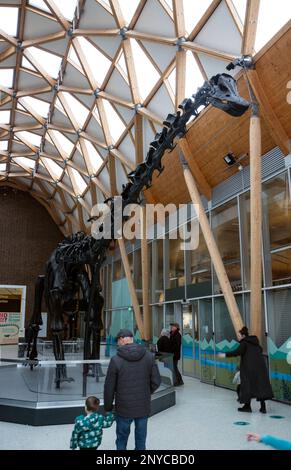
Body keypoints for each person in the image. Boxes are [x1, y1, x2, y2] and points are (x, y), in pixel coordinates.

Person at [104, 328, 161, 450]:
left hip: (123, 408)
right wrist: (146, 392)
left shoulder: (116, 360)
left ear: (122, 339)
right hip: (142, 406)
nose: (117, 344)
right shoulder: (149, 356)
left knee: (121, 439)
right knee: (141, 439)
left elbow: (109, 387)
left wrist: (108, 407)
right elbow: (156, 381)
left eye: (118, 340)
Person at [218, 326, 273, 413]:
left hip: (249, 368)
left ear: (243, 336)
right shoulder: (255, 343)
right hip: (260, 368)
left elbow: (236, 352)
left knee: (246, 385)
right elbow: (260, 350)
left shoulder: (244, 343)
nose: (238, 337)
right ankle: (263, 407)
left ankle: (247, 407)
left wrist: (224, 355)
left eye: (239, 335)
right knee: (260, 385)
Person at [169, 322, 184, 386]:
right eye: (171, 326)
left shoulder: (177, 335)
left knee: (175, 368)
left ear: (176, 327)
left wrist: (172, 351)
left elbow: (177, 346)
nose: (171, 327)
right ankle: (178, 380)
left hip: (175, 354)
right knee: (174, 368)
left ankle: (179, 381)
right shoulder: (172, 334)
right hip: (172, 354)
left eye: (173, 326)